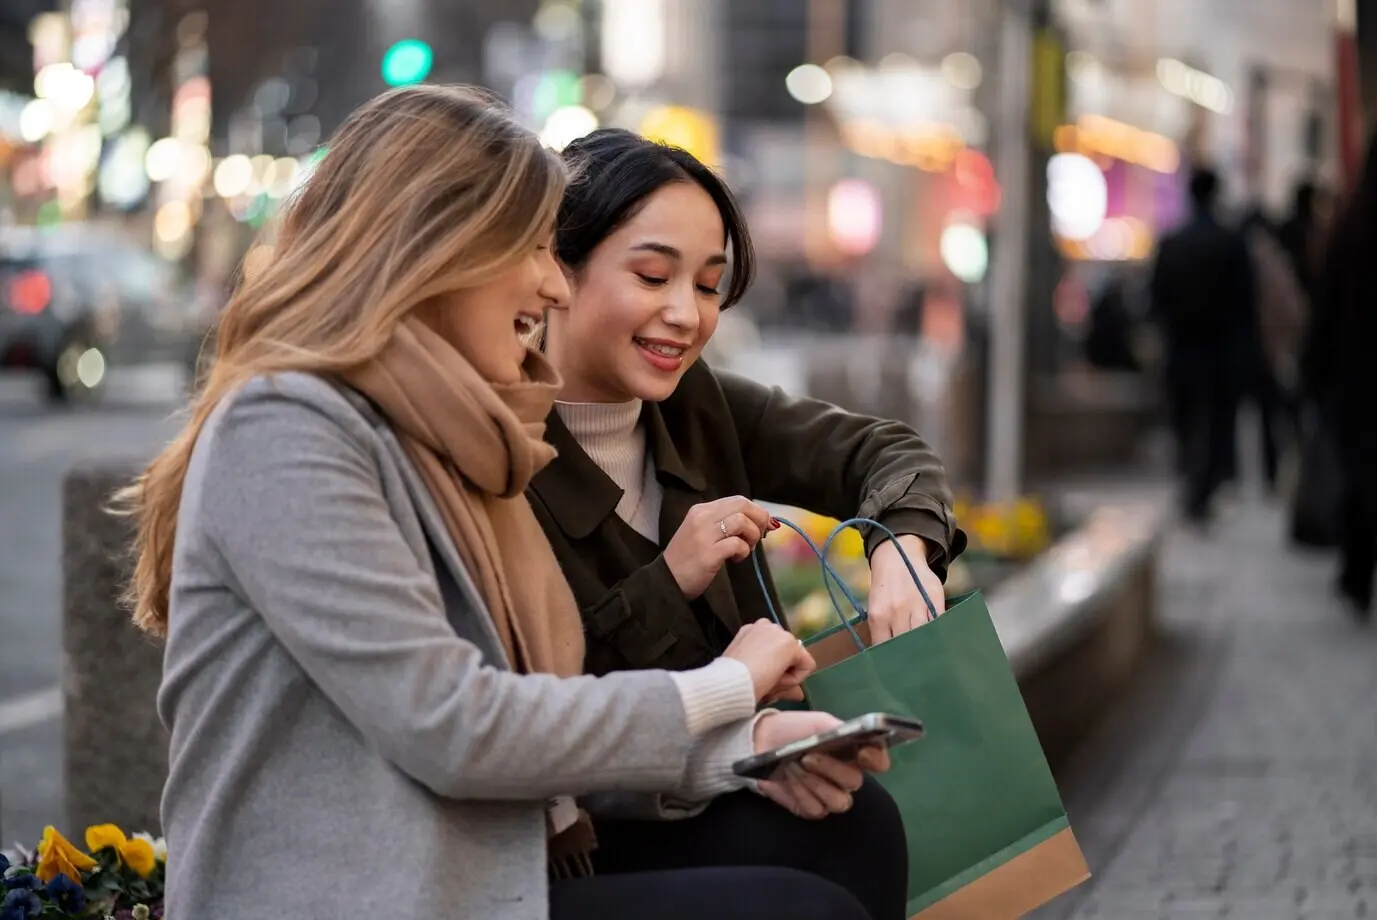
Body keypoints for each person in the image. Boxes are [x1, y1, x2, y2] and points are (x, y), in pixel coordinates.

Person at [118, 85, 891, 920]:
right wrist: (726, 688)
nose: (550, 288)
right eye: (529, 248)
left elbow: (531, 734)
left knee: (851, 831)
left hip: (477, 865)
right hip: (367, 896)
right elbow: (458, 726)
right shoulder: (284, 431)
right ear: (434, 251)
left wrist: (742, 749)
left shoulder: (458, 431)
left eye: (707, 284)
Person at [526, 129, 959, 917]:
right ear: (556, 266)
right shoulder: (502, 443)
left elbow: (881, 450)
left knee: (861, 826)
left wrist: (902, 548)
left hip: (723, 773)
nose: (683, 315)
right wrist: (667, 583)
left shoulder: (698, 403)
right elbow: (527, 704)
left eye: (708, 285)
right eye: (652, 275)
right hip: (577, 834)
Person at [1149, 166, 1257, 523]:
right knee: (1216, 422)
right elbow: (1245, 302)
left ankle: (1193, 484)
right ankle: (1204, 485)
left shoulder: (1173, 244)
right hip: (1221, 351)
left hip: (1183, 349)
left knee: (1187, 420)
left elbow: (1157, 299)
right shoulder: (1230, 243)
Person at [1303, 130, 1377, 620]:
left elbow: (1325, 312)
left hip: (1357, 380)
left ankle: (1356, 575)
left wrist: (1315, 376)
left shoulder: (1350, 229)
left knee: (1361, 478)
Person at [1240, 207, 1308, 491]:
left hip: (1252, 348)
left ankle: (1268, 474)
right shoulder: (1273, 260)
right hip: (1274, 349)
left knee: (1264, 414)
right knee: (1279, 414)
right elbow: (1293, 310)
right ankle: (1281, 472)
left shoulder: (1242, 257)